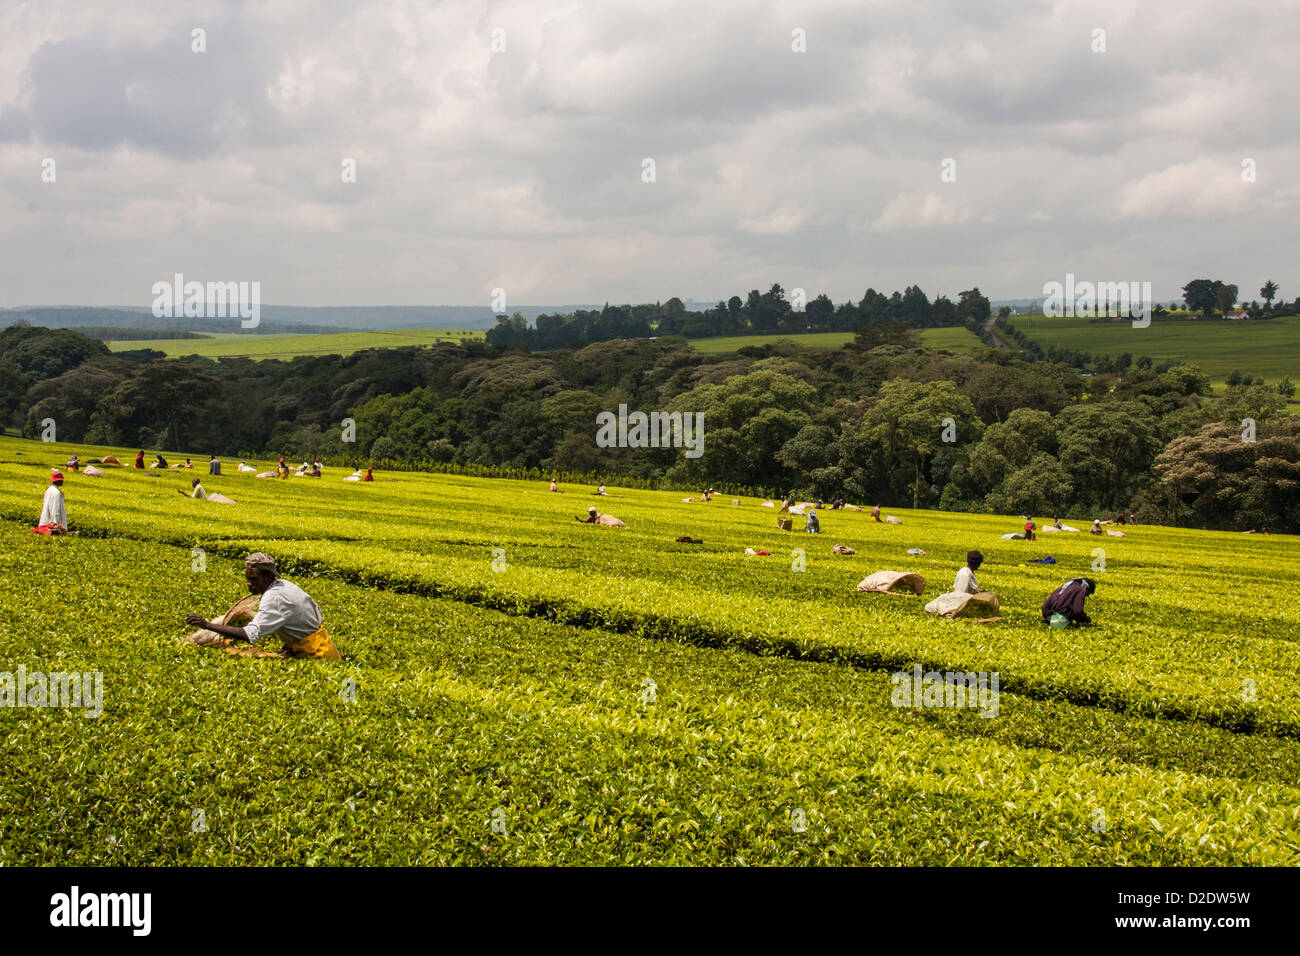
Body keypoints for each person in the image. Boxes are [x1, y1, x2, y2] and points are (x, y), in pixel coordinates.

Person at [186, 553, 341, 660]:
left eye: (253, 579)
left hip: (316, 655)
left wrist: (206, 625)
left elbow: (250, 635)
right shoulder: (285, 585)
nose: (249, 584)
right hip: (323, 647)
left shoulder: (274, 598)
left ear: (267, 576)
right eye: (247, 578)